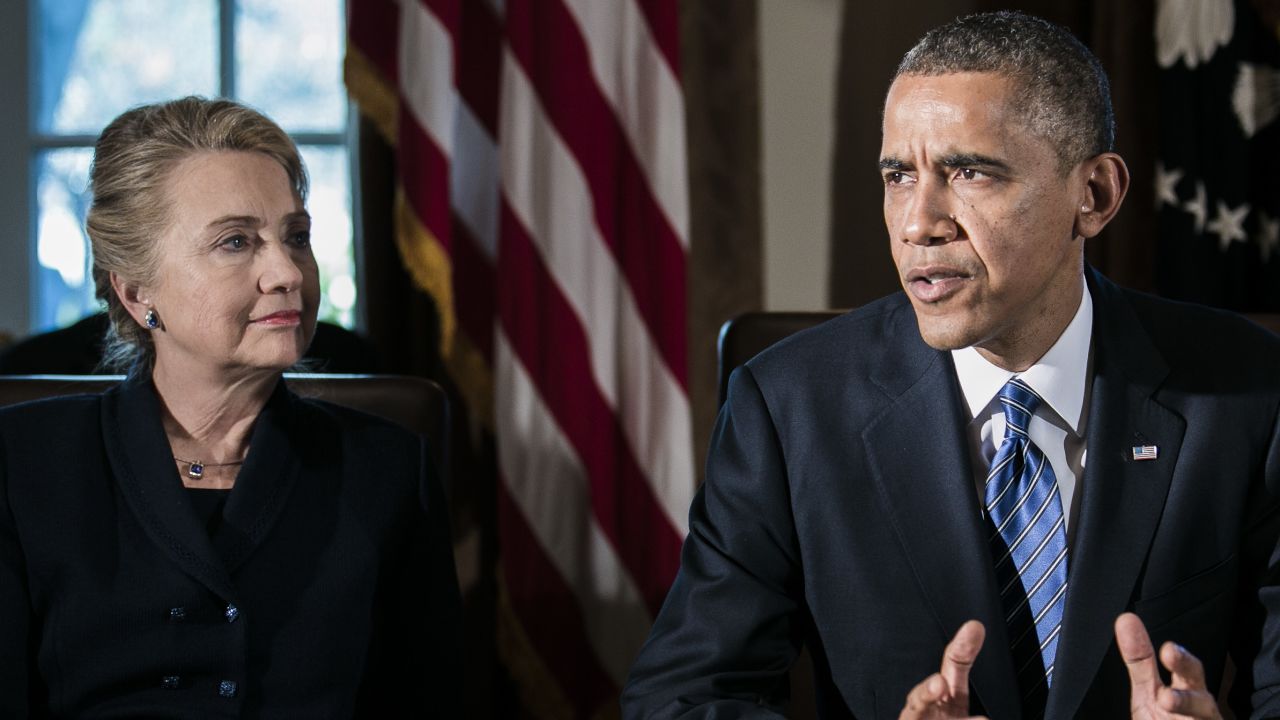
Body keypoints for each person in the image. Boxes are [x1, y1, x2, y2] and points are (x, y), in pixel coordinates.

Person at [623, 11, 1280, 720]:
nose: (918, 222)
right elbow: (680, 700)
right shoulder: (788, 408)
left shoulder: (1247, 391)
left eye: (970, 172)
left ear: (1093, 196)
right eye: (899, 175)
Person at [0, 97, 462, 716]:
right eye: (236, 242)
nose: (287, 272)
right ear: (136, 292)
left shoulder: (389, 468)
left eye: (296, 237)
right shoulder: (22, 461)